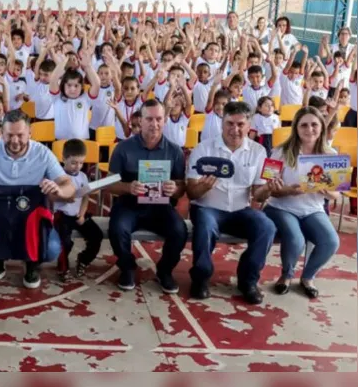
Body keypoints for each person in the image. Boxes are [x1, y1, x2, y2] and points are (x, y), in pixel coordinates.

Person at [0, 110, 75, 289]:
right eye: (9, 135)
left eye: (20, 135)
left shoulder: (43, 153)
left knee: (51, 249)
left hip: (30, 222)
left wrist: (58, 189)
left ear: (30, 133)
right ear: (2, 134)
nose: (14, 140)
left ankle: (31, 263)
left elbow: (69, 186)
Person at [186, 101, 278, 304]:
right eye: (229, 123)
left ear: (249, 125)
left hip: (240, 210)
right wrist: (204, 187)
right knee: (206, 225)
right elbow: (191, 193)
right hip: (207, 208)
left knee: (267, 226)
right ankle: (201, 277)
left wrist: (268, 190)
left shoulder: (259, 151)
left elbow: (258, 195)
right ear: (221, 123)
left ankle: (248, 280)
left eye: (240, 124)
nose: (234, 129)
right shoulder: (204, 148)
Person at [105, 99, 188, 293]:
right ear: (140, 121)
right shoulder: (123, 148)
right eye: (149, 119)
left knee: (179, 230)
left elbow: (182, 187)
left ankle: (165, 270)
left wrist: (173, 189)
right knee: (117, 228)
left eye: (159, 118)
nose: (154, 123)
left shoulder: (175, 151)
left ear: (165, 120)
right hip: (129, 204)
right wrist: (128, 187)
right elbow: (109, 185)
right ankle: (127, 267)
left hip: (160, 205)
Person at [264, 107, 340, 299]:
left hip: (313, 209)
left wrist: (327, 192)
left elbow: (336, 196)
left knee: (331, 241)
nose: (309, 129)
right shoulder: (279, 151)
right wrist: (287, 190)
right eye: (303, 125)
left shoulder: (331, 155)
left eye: (314, 124)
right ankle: (286, 275)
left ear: (322, 127)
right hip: (281, 207)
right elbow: (266, 186)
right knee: (296, 240)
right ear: (296, 128)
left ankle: (308, 277)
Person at [53, 139, 103, 282]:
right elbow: (53, 197)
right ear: (64, 159)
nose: (78, 166)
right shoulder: (58, 176)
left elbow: (85, 197)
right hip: (62, 215)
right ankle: (63, 267)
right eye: (74, 162)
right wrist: (64, 197)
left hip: (78, 214)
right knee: (65, 242)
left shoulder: (83, 176)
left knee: (96, 235)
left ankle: (84, 259)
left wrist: (82, 213)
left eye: (81, 163)